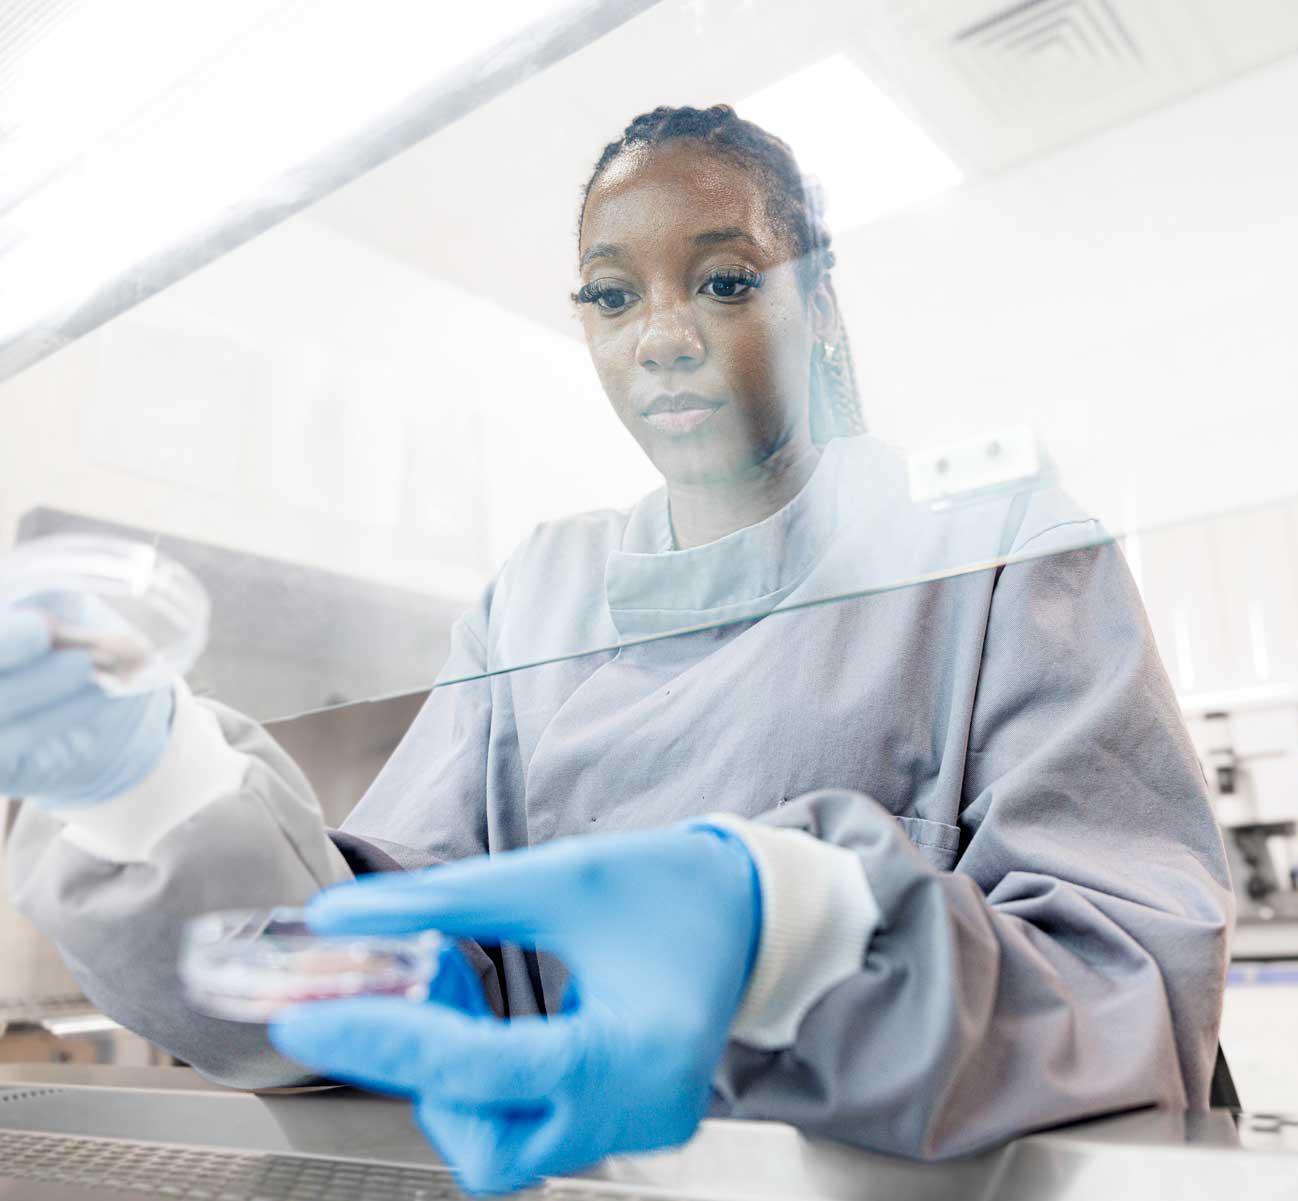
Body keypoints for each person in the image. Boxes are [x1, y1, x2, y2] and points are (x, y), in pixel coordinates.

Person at [2, 105, 1232, 1195]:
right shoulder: (539, 594)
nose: (662, 336)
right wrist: (146, 787)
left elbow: (1126, 998)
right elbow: (380, 969)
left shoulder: (996, 549)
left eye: (725, 279)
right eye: (610, 295)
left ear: (820, 303)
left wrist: (795, 935)